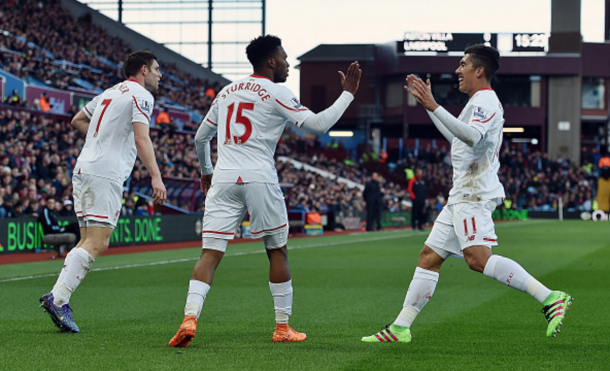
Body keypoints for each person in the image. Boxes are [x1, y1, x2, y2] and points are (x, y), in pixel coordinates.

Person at [362, 44, 572, 344]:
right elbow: (458, 136)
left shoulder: (485, 100)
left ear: (479, 70)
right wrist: (429, 106)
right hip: (461, 193)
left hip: (474, 194)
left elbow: (471, 136)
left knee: (477, 258)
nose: (457, 70)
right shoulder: (478, 102)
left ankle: (550, 297)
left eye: (463, 64)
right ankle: (400, 327)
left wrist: (434, 106)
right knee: (429, 257)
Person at [168, 35, 361, 348]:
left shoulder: (226, 92)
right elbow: (317, 125)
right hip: (259, 176)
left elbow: (200, 138)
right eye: (284, 58)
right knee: (276, 250)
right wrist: (348, 94)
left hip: (224, 178)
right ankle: (282, 327)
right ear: (270, 61)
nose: (286, 63)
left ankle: (190, 317)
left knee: (211, 253)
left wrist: (206, 172)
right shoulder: (276, 91)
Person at [39, 50, 167, 333]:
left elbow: (77, 120)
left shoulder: (109, 93)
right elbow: (140, 136)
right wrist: (156, 177)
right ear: (143, 69)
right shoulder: (141, 95)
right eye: (157, 69)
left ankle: (59, 297)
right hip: (104, 173)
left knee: (88, 240)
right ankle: (58, 299)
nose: (160, 74)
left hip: (84, 168)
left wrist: (101, 139)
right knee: (97, 243)